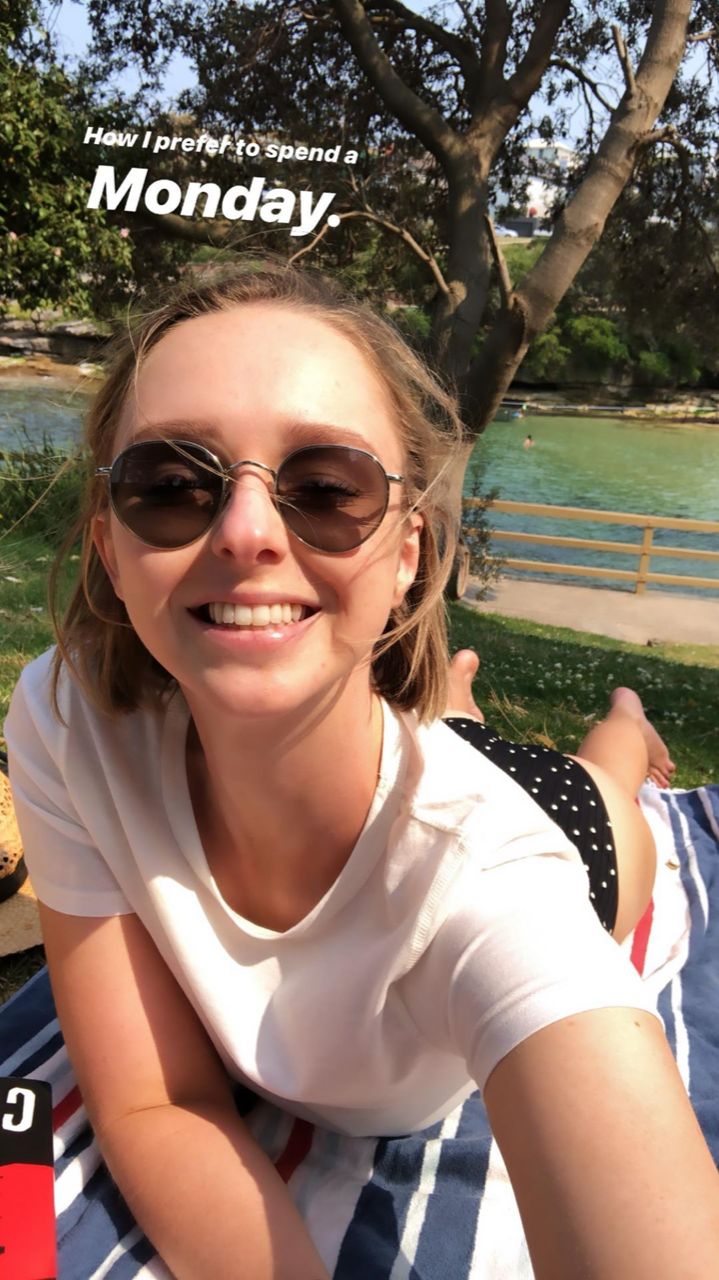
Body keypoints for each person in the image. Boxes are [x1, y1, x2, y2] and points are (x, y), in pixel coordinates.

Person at [5, 262, 718, 1280]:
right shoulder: (67, 718)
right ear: (109, 550)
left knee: (607, 781)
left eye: (326, 488)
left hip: (573, 829)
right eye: (171, 485)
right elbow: (153, 1099)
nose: (246, 532)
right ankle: (455, 700)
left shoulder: (498, 882)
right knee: (452, 724)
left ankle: (622, 717)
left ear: (407, 554)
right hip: (406, 752)